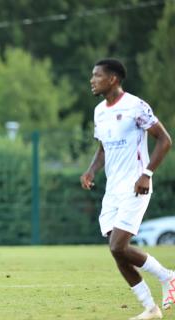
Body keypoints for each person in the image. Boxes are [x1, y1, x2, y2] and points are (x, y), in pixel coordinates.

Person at [80, 58, 173, 320]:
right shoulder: (99, 111)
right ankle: (150, 308)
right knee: (117, 250)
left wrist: (147, 174)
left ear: (113, 79)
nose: (92, 80)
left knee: (118, 246)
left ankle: (169, 277)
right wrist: (91, 170)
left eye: (97, 76)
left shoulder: (136, 106)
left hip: (136, 185)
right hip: (113, 190)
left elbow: (165, 140)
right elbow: (102, 149)